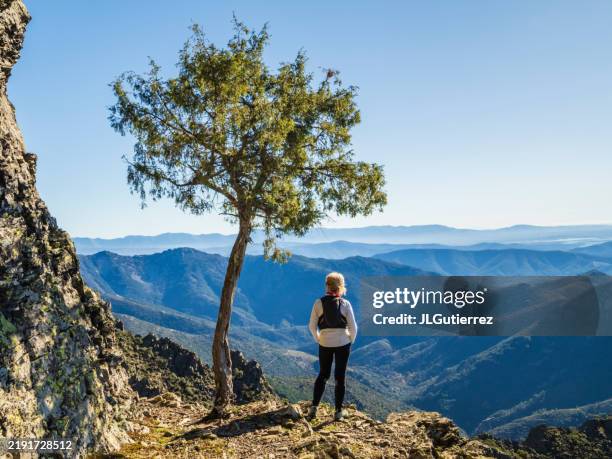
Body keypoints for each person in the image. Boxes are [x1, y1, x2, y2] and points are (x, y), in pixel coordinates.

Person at [307, 272, 357, 421]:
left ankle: (314, 408)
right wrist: (350, 340)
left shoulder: (318, 303)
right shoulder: (345, 304)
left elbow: (311, 326)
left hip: (325, 343)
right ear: (341, 287)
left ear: (327, 286)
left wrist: (319, 338)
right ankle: (338, 412)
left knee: (323, 375)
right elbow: (353, 327)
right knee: (339, 377)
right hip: (343, 343)